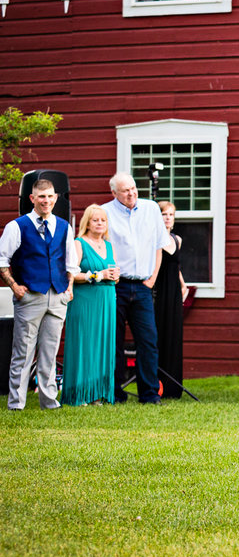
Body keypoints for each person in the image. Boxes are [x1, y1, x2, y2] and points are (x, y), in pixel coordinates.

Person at [0, 179, 79, 411]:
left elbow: (70, 262)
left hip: (57, 296)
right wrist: (14, 286)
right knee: (23, 352)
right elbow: (2, 260)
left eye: (50, 196)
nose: (46, 201)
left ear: (56, 198)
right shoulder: (17, 226)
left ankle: (49, 402)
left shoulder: (64, 226)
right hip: (30, 295)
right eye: (41, 197)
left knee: (50, 351)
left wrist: (70, 288)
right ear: (32, 199)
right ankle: (16, 403)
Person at [102, 173, 171, 405]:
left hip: (142, 286)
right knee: (115, 342)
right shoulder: (105, 212)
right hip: (116, 286)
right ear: (114, 194)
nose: (131, 193)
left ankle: (149, 394)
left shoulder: (151, 209)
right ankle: (115, 393)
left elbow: (159, 245)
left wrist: (152, 279)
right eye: (125, 191)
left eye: (133, 188)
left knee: (148, 341)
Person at [61, 205, 119, 406]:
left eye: (103, 220)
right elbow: (72, 274)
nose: (100, 223)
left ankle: (97, 394)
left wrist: (113, 276)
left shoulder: (109, 246)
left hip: (106, 300)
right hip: (85, 300)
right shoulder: (79, 243)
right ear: (87, 222)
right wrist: (97, 275)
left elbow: (112, 271)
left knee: (102, 344)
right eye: (95, 220)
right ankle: (79, 394)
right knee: (84, 344)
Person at [154, 201, 188, 400]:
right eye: (164, 214)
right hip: (157, 292)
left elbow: (176, 267)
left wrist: (183, 284)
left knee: (173, 335)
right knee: (158, 335)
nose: (168, 218)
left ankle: (173, 387)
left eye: (171, 214)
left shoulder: (177, 239)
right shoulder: (152, 239)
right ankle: (156, 384)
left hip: (174, 292)